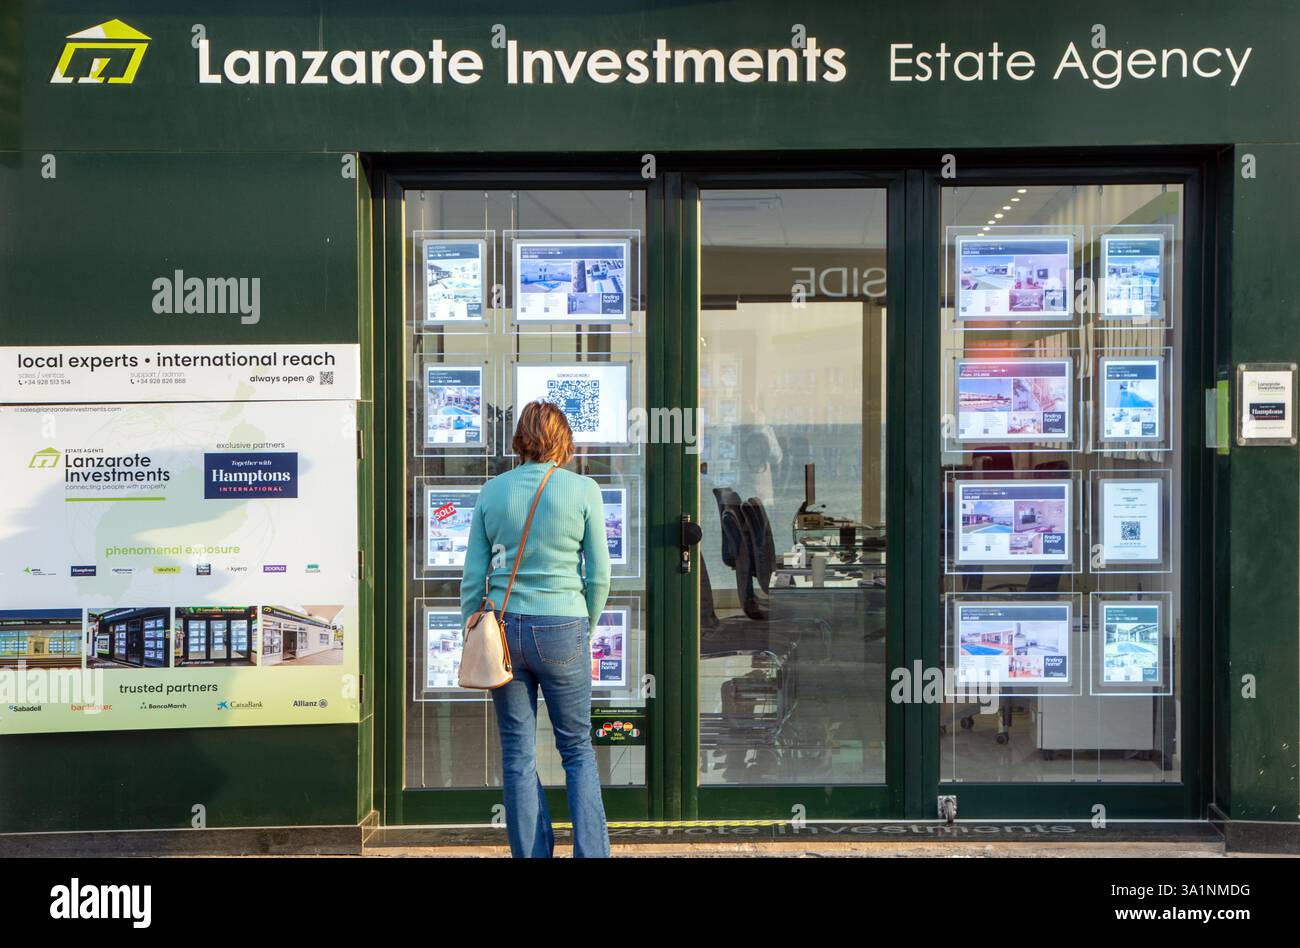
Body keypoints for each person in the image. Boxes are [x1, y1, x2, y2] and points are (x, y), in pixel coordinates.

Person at [460, 399, 612, 858]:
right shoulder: (584, 490)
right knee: (577, 750)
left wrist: (475, 626)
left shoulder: (492, 491)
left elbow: (473, 576)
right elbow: (600, 574)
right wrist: (585, 623)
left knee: (518, 754)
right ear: (563, 440)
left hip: (503, 630)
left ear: (520, 439)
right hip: (563, 625)